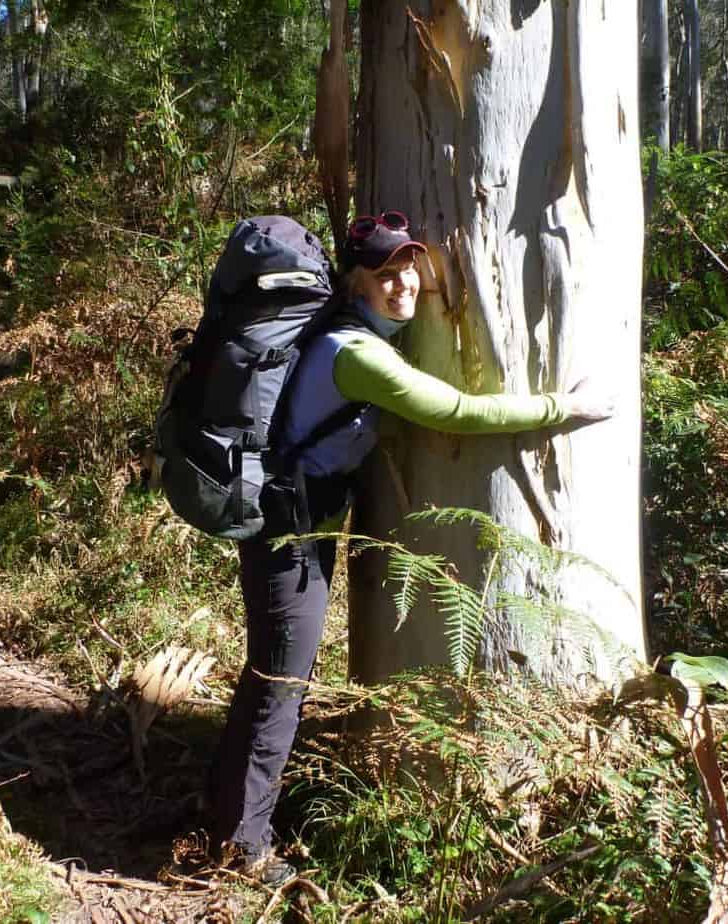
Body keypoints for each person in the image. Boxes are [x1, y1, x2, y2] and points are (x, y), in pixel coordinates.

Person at [206, 210, 614, 885]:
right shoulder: (355, 354)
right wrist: (561, 410)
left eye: (408, 271)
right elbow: (454, 411)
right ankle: (243, 848)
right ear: (356, 282)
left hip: (295, 518)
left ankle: (226, 813)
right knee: (283, 682)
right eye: (384, 274)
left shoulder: (345, 336)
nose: (402, 284)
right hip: (290, 528)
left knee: (272, 674)